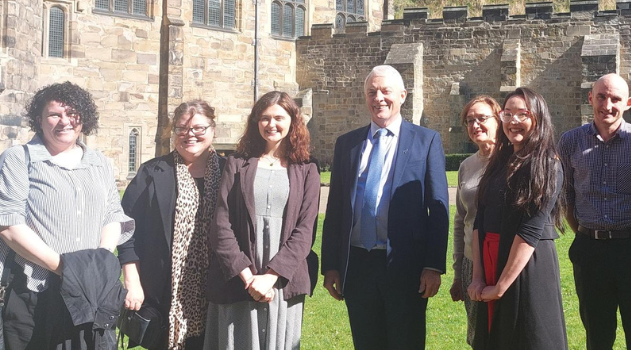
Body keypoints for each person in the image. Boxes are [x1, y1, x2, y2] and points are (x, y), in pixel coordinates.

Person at [0, 81, 134, 349]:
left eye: (72, 114)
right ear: (39, 120)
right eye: (54, 114)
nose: (64, 121)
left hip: (91, 291)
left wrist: (99, 261)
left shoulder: (99, 162)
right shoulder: (18, 159)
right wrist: (66, 268)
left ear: (84, 118)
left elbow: (112, 214)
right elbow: (9, 225)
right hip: (36, 292)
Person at [321, 65, 450, 350]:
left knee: (406, 342)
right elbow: (336, 210)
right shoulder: (347, 144)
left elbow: (438, 209)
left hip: (405, 268)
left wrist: (433, 266)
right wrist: (331, 265)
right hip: (357, 267)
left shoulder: (426, 141)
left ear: (402, 95)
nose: (378, 97)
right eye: (372, 92)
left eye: (385, 91)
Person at [558, 73, 631, 350]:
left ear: (628, 103)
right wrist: (587, 232)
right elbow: (566, 198)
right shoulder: (570, 142)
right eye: (602, 97)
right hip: (589, 250)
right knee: (597, 334)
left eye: (616, 99)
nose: (608, 105)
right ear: (590, 98)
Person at [205, 91, 320, 350]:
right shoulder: (236, 163)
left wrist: (269, 278)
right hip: (238, 275)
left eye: (279, 117)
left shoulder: (307, 168)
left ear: (292, 120)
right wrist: (248, 277)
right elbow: (221, 223)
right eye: (264, 118)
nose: (271, 124)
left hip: (282, 278)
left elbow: (305, 230)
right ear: (255, 122)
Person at [118, 100, 224, 349]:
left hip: (218, 291)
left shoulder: (231, 173)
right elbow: (125, 230)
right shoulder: (152, 173)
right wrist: (132, 281)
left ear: (213, 130)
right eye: (182, 128)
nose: (190, 135)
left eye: (199, 128)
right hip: (164, 292)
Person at [468, 87, 568, 350]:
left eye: (522, 114)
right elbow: (480, 219)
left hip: (526, 267)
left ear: (538, 118)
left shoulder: (547, 163)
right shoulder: (499, 161)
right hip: (491, 262)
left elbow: (531, 229)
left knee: (528, 338)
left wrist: (500, 286)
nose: (513, 121)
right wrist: (478, 277)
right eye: (507, 114)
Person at [449, 95, 502, 347]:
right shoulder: (466, 166)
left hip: (505, 263)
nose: (475, 125)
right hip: (472, 263)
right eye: (470, 121)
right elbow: (461, 221)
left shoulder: (512, 160)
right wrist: (459, 273)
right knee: (478, 337)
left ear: (499, 120)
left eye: (482, 118)